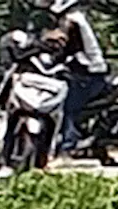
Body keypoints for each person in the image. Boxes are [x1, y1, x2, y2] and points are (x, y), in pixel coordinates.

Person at [38, 0, 108, 160]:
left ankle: (69, 146)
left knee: (67, 107)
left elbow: (67, 48)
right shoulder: (73, 19)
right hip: (85, 71)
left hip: (89, 74)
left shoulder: (72, 21)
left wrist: (51, 61)